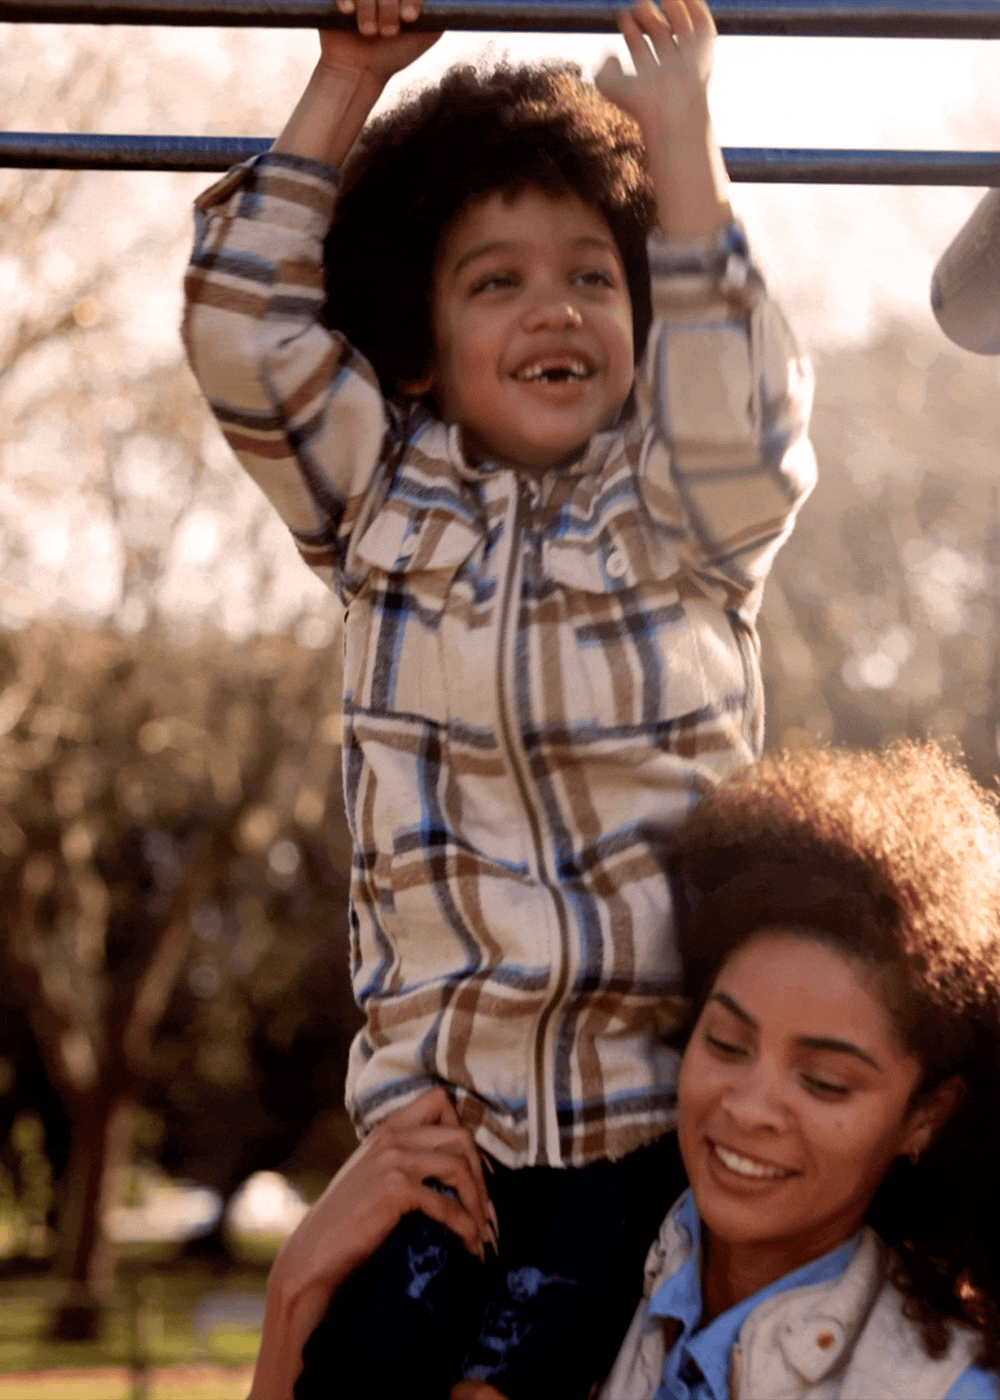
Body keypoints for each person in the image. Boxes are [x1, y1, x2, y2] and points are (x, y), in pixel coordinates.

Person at [182, 0, 815, 1393]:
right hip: (436, 1123)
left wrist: (683, 139)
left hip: (641, 1129)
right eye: (497, 282)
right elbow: (242, 330)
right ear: (416, 349)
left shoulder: (681, 514)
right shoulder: (380, 499)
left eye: (595, 277)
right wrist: (347, 78)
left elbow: (740, 396)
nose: (557, 306)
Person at [248, 740, 1000, 1400]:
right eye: (727, 1045)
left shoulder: (944, 1388)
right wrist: (295, 1299)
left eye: (825, 1081)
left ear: (926, 1114)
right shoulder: (547, 1269)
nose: (750, 1105)